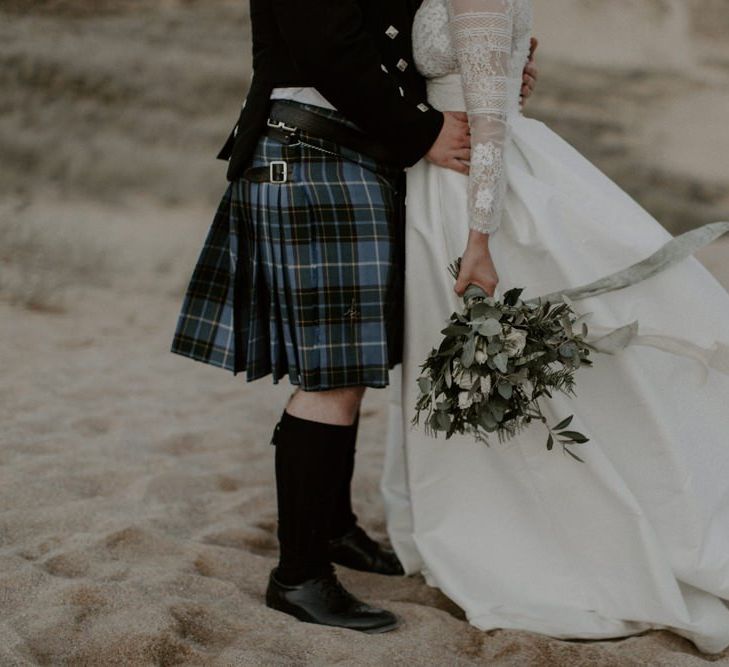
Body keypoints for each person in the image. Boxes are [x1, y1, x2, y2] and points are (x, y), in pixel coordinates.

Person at [171, 0, 538, 634]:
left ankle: (333, 526)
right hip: (312, 150)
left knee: (351, 364)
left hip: (351, 152)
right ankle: (300, 576)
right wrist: (421, 129)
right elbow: (326, 47)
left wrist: (495, 65)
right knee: (331, 377)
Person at [383, 0, 729, 653]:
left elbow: (487, 117)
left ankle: (548, 537)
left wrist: (479, 238)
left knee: (528, 373)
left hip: (479, 195)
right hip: (442, 183)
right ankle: (499, 518)